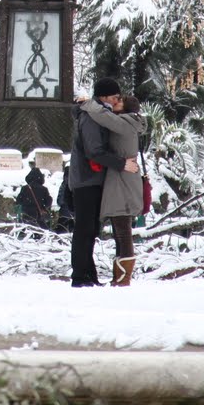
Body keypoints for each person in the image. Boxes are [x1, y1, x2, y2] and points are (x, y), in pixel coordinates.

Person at [67, 76, 139, 287]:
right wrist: (121, 163)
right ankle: (81, 276)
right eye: (115, 96)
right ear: (104, 96)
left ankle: (88, 275)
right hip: (87, 178)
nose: (117, 100)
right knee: (85, 228)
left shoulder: (97, 113)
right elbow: (94, 151)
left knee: (89, 229)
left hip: (91, 177)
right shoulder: (91, 116)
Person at [80, 94, 147, 285]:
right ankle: (119, 276)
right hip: (122, 179)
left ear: (125, 108)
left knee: (123, 228)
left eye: (119, 101)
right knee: (120, 229)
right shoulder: (129, 122)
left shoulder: (124, 122)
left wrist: (89, 103)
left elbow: (103, 116)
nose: (114, 103)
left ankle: (124, 277)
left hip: (123, 181)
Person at [16, 161, 53, 228]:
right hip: (39, 215)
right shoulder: (44, 189)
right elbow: (48, 202)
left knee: (27, 231)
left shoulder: (25, 188)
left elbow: (18, 200)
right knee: (40, 232)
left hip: (26, 214)